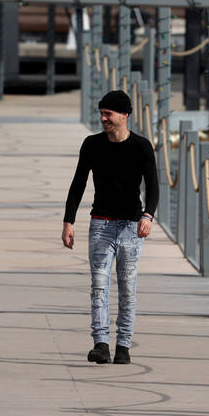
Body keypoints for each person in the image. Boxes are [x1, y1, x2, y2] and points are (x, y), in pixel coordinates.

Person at [61, 89, 158, 365]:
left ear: (125, 115)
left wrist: (148, 216)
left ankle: (124, 345)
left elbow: (153, 186)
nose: (103, 118)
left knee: (127, 287)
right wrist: (68, 221)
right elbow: (78, 183)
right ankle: (101, 344)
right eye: (101, 113)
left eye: (109, 114)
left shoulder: (141, 146)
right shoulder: (92, 144)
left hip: (131, 226)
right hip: (101, 224)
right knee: (99, 286)